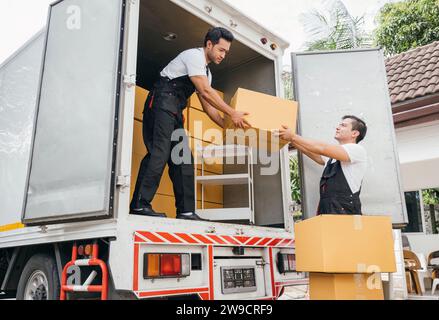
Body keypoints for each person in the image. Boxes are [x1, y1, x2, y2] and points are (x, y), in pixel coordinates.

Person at [130, 27, 250, 220]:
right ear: (209, 44)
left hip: (174, 112)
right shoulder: (193, 56)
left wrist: (226, 125)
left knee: (183, 159)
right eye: (221, 50)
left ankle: (186, 211)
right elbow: (204, 91)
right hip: (160, 104)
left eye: (226, 52)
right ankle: (139, 205)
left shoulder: (207, 73)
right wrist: (232, 112)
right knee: (159, 153)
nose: (223, 55)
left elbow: (207, 106)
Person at [276, 116, 368, 215]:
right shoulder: (333, 157)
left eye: (343, 125)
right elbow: (317, 155)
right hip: (327, 209)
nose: (337, 127)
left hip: (345, 212)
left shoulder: (356, 150)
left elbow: (322, 148)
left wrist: (293, 137)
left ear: (355, 133)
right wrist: (292, 141)